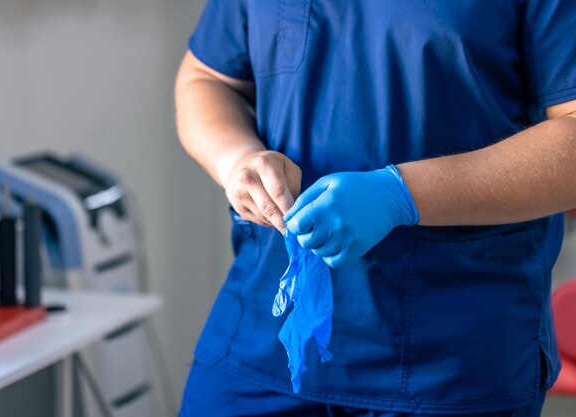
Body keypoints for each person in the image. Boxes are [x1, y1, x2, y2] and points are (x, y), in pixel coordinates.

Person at [175, 1, 576, 416]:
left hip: (450, 355)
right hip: (266, 331)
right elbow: (207, 76)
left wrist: (402, 193)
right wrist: (235, 157)